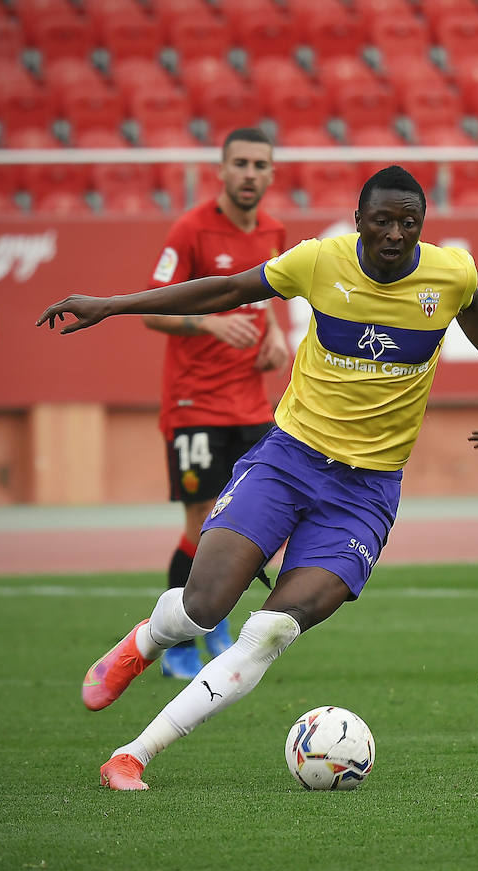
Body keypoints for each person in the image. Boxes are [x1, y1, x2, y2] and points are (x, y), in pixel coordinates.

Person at [36, 166, 478, 791]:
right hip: (288, 461)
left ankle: (132, 754)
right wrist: (113, 306)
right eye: (382, 221)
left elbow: (473, 306)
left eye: (409, 222)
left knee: (270, 628)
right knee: (202, 605)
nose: (396, 234)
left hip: (366, 492)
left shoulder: (450, 271)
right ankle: (144, 642)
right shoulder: (319, 262)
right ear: (358, 222)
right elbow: (224, 290)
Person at [144, 126, 289, 679]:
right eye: (241, 164)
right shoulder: (190, 230)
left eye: (260, 165)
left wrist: (273, 333)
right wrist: (206, 321)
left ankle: (217, 621)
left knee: (252, 522)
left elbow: (267, 293)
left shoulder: (275, 231)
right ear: (221, 170)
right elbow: (152, 308)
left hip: (251, 404)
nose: (251, 174)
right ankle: (176, 643)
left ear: (272, 174)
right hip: (194, 404)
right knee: (199, 522)